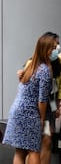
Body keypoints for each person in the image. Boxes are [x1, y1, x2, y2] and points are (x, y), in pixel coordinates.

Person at [2, 34, 54, 164]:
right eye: (52, 48)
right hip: (30, 113)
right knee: (34, 150)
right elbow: (42, 99)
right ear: (45, 49)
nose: (54, 51)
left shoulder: (30, 66)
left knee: (20, 151)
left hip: (16, 111)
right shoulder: (44, 70)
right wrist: (42, 119)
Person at [16, 32, 61, 164]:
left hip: (49, 103)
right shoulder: (33, 63)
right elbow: (26, 85)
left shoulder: (59, 62)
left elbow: (59, 85)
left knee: (47, 139)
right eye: (54, 46)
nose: (58, 49)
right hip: (35, 107)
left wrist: (57, 105)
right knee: (31, 145)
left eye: (58, 45)